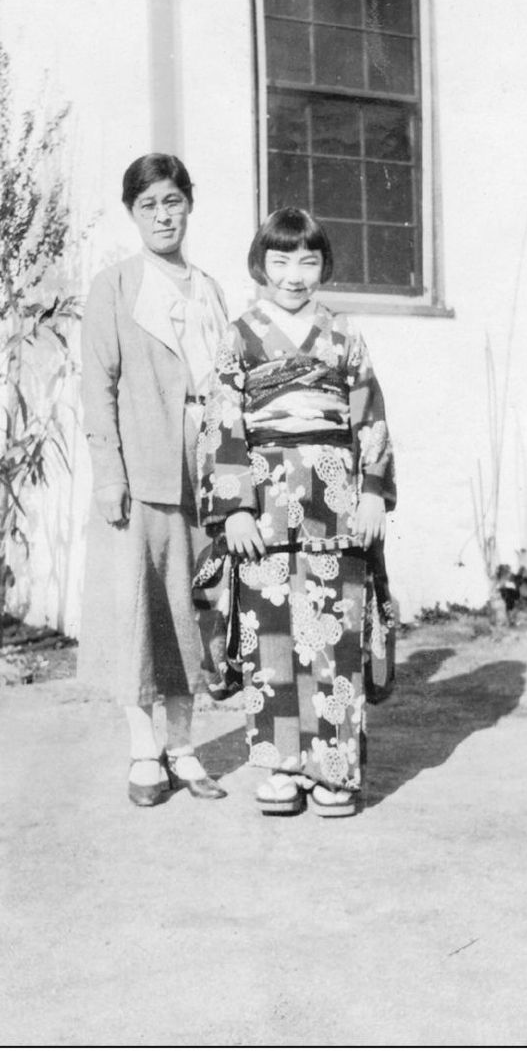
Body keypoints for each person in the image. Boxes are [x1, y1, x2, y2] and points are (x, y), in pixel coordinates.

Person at [194, 207, 396, 817]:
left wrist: (371, 494)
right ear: (261, 264)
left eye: (308, 260)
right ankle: (281, 768)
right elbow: (221, 421)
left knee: (334, 635)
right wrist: (233, 510)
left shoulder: (344, 338)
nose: (294, 274)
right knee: (269, 637)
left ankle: (334, 771)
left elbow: (370, 418)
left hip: (335, 500)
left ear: (323, 265)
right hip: (263, 504)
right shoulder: (240, 336)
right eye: (280, 260)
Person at [80, 153, 229, 807]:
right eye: (149, 205)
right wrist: (109, 474)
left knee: (193, 613)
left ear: (188, 204)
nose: (163, 215)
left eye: (172, 201)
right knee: (140, 612)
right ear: (132, 213)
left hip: (203, 473)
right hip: (141, 475)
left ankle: (184, 746)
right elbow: (97, 387)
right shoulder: (114, 286)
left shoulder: (210, 289)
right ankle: (144, 750)